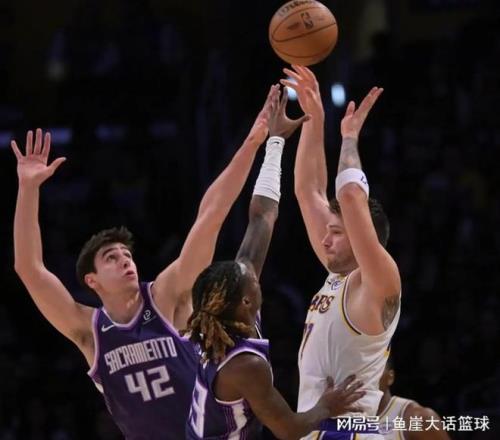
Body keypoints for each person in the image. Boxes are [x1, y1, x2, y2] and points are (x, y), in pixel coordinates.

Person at [11, 85, 282, 440]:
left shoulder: (166, 296)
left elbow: (211, 215)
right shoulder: (89, 332)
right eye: (111, 258)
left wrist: (252, 143)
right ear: (92, 280)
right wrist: (28, 188)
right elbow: (29, 269)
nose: (125, 261)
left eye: (127, 254)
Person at [184, 87, 365, 440]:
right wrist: (327, 405)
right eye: (252, 279)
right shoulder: (244, 364)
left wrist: (276, 141)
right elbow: (289, 429)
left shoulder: (227, 313)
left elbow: (262, 216)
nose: (255, 272)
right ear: (245, 301)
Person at [281, 65, 401, 439]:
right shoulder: (338, 276)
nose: (325, 239)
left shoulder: (378, 281)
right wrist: (313, 118)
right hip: (316, 428)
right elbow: (308, 191)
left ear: (363, 234)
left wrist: (349, 137)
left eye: (336, 232)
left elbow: (349, 196)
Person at [377, 357, 451, 440]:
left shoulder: (418, 418)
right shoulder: (364, 417)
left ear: (390, 377)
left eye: (374, 372)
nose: (369, 379)